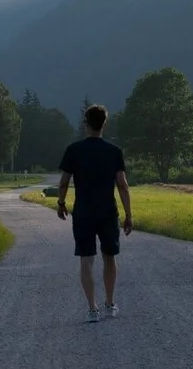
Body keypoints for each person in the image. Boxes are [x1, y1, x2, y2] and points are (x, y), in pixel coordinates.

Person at [55, 104, 133, 323]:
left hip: (83, 212)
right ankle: (109, 302)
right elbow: (123, 185)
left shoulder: (74, 150)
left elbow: (63, 183)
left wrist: (61, 203)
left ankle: (92, 308)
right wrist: (129, 214)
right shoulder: (114, 152)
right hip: (108, 211)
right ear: (104, 124)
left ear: (86, 124)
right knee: (109, 257)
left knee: (86, 260)